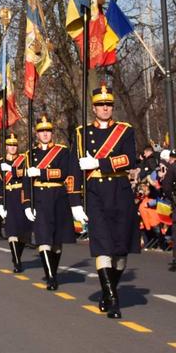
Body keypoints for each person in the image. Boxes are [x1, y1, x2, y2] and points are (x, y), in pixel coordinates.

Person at [76, 85, 138, 318]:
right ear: (93, 108)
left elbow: (129, 159)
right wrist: (75, 200)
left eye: (108, 104)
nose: (105, 108)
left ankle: (106, 291)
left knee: (120, 251)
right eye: (101, 105)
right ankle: (113, 299)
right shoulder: (81, 132)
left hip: (119, 191)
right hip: (95, 193)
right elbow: (75, 166)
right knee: (103, 245)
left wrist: (99, 163)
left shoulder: (125, 130)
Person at [22, 114, 85, 290]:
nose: (45, 134)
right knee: (43, 239)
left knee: (57, 243)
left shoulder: (62, 151)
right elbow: (26, 182)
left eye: (48, 131)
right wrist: (27, 203)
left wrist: (41, 173)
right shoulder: (30, 155)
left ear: (52, 133)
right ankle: (50, 276)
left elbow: (64, 172)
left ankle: (53, 271)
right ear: (36, 134)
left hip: (58, 197)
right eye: (41, 131)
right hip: (40, 199)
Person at [0, 132, 32, 273]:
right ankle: (16, 260)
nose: (13, 148)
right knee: (12, 231)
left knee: (23, 232)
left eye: (15, 145)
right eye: (10, 145)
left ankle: (18, 255)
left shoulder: (24, 160)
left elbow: (26, 173)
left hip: (22, 196)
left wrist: (11, 170)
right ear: (6, 147)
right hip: (8, 197)